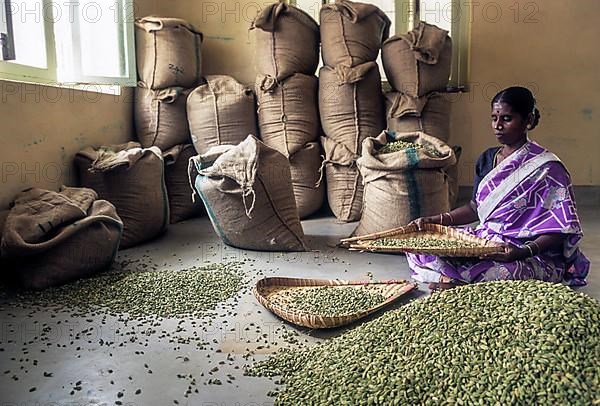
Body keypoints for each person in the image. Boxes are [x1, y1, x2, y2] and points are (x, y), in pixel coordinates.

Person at [406, 86, 590, 289]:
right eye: (494, 118)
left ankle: (452, 281)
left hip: (530, 251)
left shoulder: (548, 168)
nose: (498, 126)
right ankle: (458, 281)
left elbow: (561, 228)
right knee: (419, 249)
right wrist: (436, 221)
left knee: (502, 272)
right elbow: (476, 208)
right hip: (486, 241)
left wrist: (523, 252)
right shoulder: (487, 159)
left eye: (507, 119)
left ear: (528, 120)